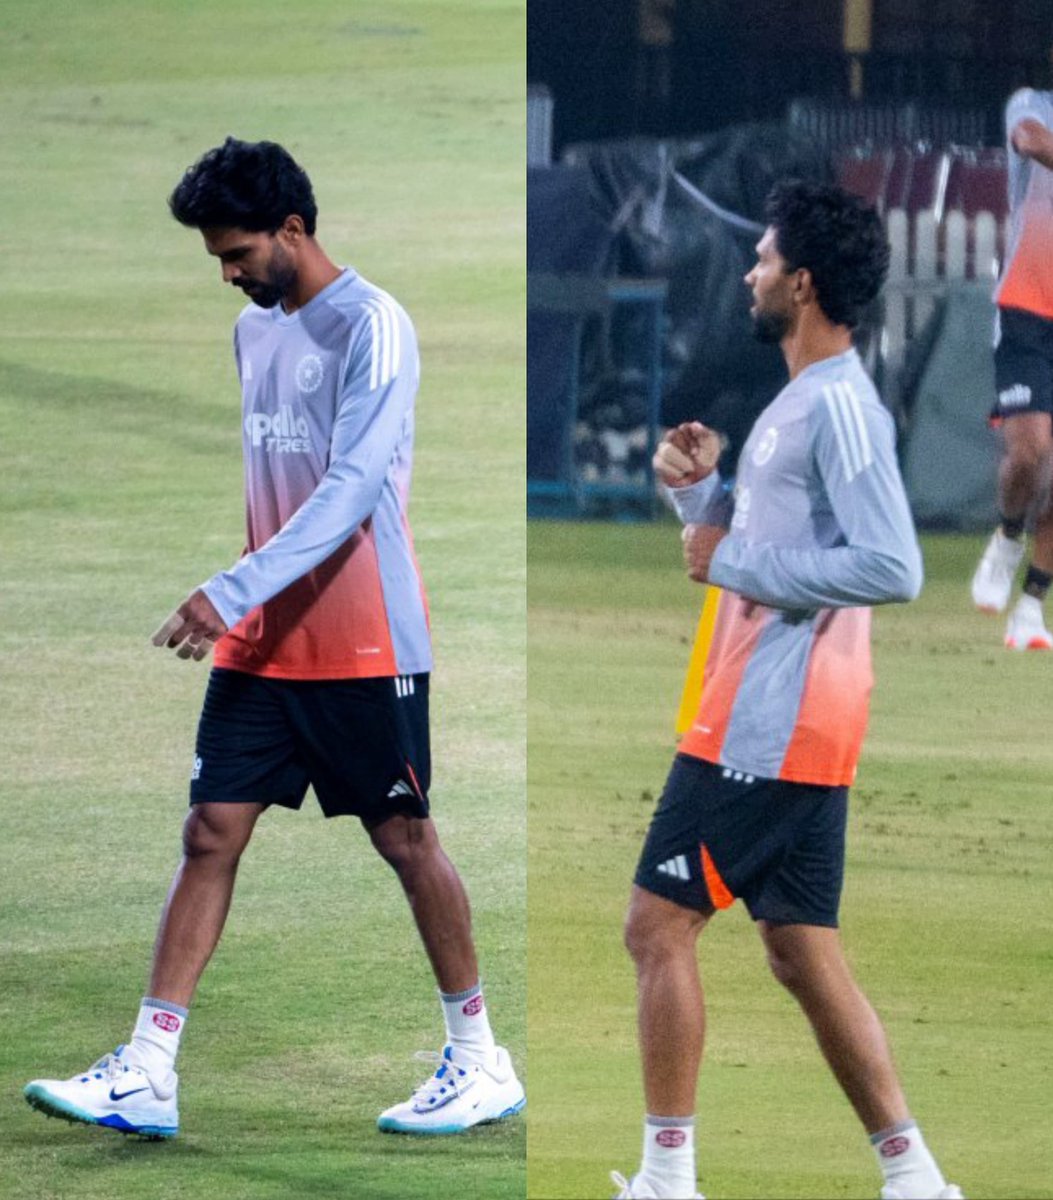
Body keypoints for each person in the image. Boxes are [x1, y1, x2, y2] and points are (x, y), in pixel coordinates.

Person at [23, 137, 523, 1140]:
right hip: (264, 637)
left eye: (239, 252)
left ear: (294, 228)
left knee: (406, 839)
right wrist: (246, 601)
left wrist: (228, 588)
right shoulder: (256, 334)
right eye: (217, 257)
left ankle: (479, 1061)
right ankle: (150, 1071)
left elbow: (347, 494)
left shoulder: (375, 329)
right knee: (210, 829)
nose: (228, 274)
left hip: (362, 640)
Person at [612, 182, 961, 1200]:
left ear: (802, 284)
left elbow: (894, 568)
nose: (751, 272)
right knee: (803, 951)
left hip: (771, 723)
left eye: (763, 259)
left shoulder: (843, 404)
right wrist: (697, 495)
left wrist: (733, 560)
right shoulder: (802, 399)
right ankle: (916, 1179)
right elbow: (767, 545)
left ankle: (667, 1181)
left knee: (655, 925)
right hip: (791, 716)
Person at [971, 64, 1053, 649]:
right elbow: (1028, 140)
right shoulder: (1033, 104)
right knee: (1030, 451)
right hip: (1027, 302)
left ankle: (1032, 605)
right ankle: (1005, 537)